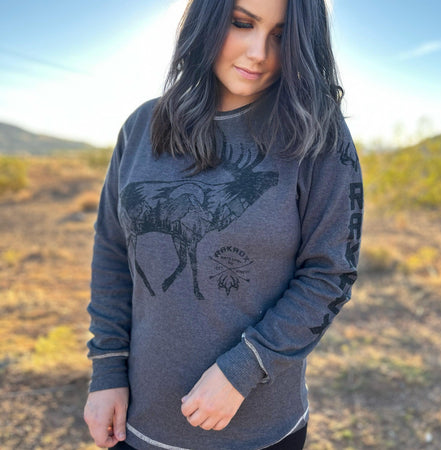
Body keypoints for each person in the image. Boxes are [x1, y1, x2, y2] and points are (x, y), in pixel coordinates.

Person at [83, 0, 363, 448]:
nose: (259, 53)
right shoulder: (142, 127)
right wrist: (107, 369)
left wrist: (244, 368)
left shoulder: (319, 137)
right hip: (139, 424)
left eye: (281, 36)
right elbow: (113, 254)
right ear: (209, 19)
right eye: (242, 23)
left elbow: (330, 273)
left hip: (260, 432)